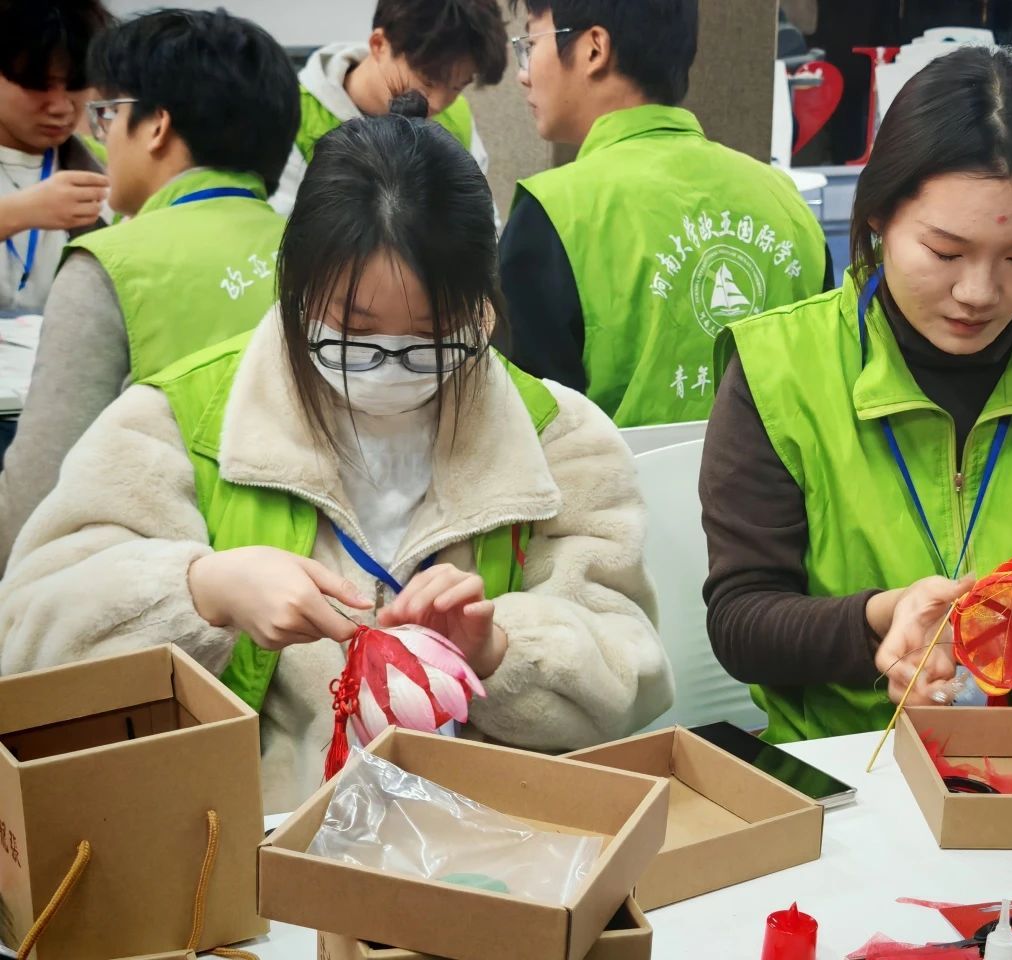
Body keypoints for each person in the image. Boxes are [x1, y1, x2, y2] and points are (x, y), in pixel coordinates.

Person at [0, 102, 674, 813]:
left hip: (478, 837)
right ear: (295, 294)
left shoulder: (557, 439)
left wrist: (498, 651)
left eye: (430, 339)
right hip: (250, 842)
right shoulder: (179, 423)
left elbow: (633, 674)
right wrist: (203, 590)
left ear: (484, 310)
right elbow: (27, 637)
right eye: (352, 336)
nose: (389, 367)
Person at [701, 47, 1012, 743]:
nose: (978, 292)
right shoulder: (779, 367)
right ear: (878, 215)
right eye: (945, 252)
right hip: (842, 754)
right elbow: (741, 621)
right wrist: (880, 620)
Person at [0, 9, 299, 569]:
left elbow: (35, 503)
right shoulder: (319, 253)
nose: (101, 136)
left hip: (153, 582)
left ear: (157, 126)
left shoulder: (110, 265)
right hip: (303, 576)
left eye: (108, 115)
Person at [496, 0, 831, 428]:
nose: (524, 73)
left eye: (531, 43)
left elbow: (531, 429)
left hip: (614, 474)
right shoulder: (786, 202)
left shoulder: (551, 213)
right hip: (774, 472)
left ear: (594, 48)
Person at [270, 0, 506, 216]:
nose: (437, 103)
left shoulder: (456, 115)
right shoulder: (293, 115)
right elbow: (283, 230)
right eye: (428, 81)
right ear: (379, 44)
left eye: (457, 87)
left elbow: (483, 220)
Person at [0, 0, 111, 313]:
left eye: (76, 84)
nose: (61, 107)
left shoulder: (104, 171)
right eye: (38, 84)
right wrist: (15, 214)